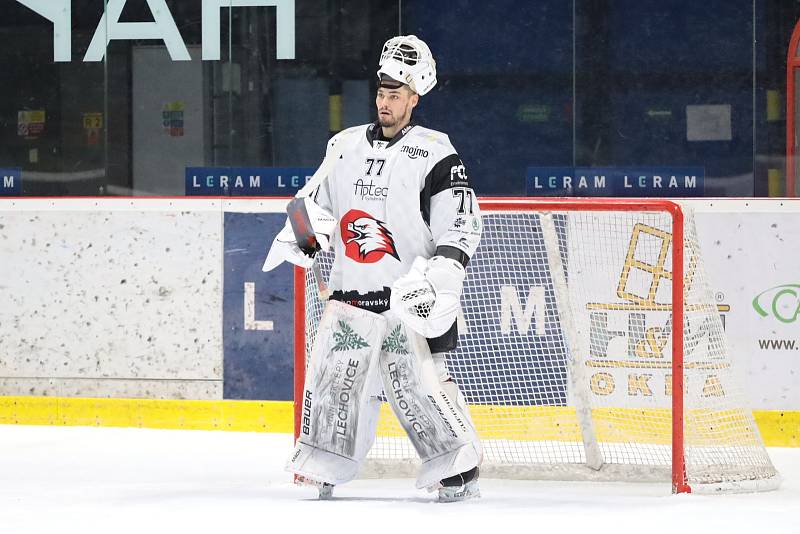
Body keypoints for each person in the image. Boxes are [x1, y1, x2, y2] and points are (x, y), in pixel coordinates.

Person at [263, 35, 483, 502]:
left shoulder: (437, 154)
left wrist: (440, 278)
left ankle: (455, 469)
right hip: (350, 301)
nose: (385, 102)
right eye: (381, 93)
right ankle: (324, 465)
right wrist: (302, 231)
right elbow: (312, 206)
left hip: (406, 303)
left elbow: (460, 227)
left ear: (414, 98)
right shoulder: (343, 147)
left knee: (421, 391)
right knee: (333, 390)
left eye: (396, 94)